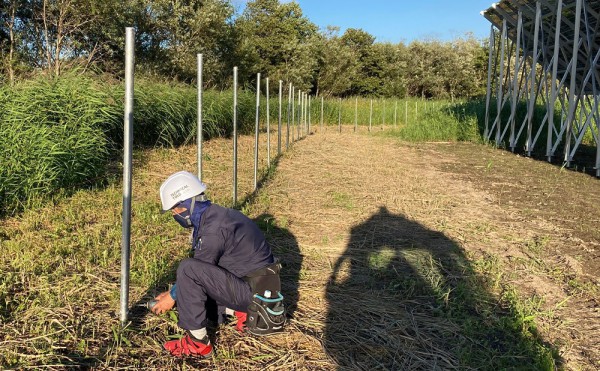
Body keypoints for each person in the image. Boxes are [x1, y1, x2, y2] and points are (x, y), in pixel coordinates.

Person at [151, 171, 285, 357]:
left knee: (188, 269)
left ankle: (198, 343)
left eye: (176, 210)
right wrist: (175, 292)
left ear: (188, 204)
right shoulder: (217, 215)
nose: (175, 215)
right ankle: (241, 312)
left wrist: (172, 297)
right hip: (259, 287)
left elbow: (197, 271)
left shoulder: (213, 230)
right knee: (194, 283)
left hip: (254, 293)